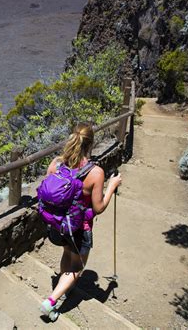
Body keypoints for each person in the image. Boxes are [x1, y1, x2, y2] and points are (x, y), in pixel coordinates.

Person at [39, 123, 122, 321]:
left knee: (66, 254)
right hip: (79, 229)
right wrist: (112, 186)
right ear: (91, 144)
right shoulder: (95, 173)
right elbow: (99, 207)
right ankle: (50, 302)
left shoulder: (56, 164)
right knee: (77, 268)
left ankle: (63, 284)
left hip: (57, 225)